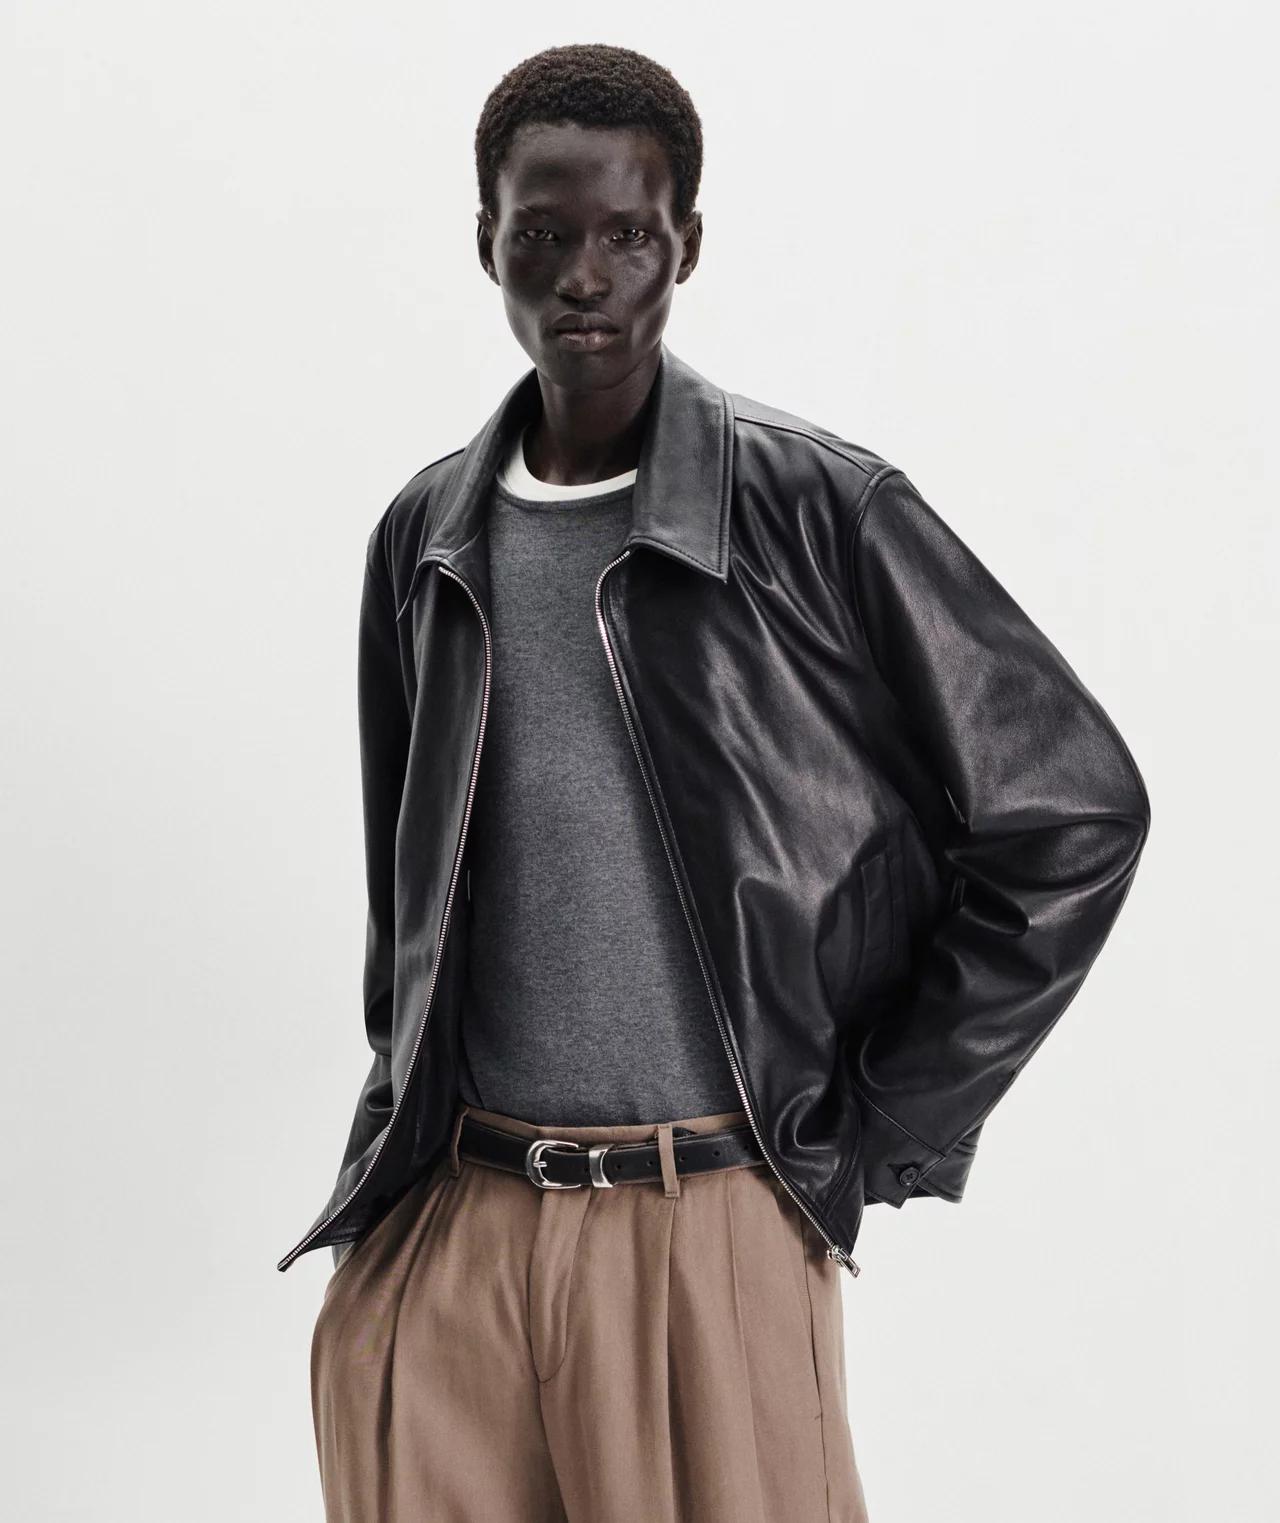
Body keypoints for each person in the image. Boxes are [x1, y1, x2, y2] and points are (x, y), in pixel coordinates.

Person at [279, 42, 1151, 1523]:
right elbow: (406, 903)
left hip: (710, 1218)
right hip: (453, 1231)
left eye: (628, 233)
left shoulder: (820, 510)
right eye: (544, 232)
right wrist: (387, 1170)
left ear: (687, 244)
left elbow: (1072, 813)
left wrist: (877, 1121)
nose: (585, 275)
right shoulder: (425, 538)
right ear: (486, 240)